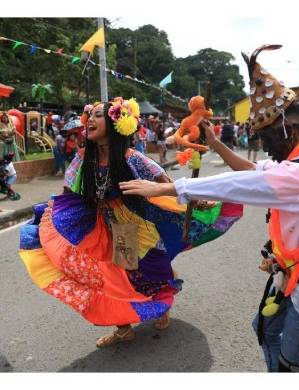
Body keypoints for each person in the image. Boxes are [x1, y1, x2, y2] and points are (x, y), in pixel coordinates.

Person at [120, 45, 299, 372]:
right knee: (264, 330)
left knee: (293, 367)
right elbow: (253, 172)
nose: (262, 144)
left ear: (286, 128)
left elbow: (237, 185)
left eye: (265, 136)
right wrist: (214, 144)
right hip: (290, 273)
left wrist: (168, 187)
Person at [18, 97, 242, 348]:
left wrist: (191, 201)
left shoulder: (133, 158)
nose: (89, 119)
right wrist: (56, 214)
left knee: (147, 273)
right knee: (109, 278)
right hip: (101, 225)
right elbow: (69, 189)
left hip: (137, 223)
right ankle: (123, 328)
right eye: (89, 115)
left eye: (97, 115)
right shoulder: (83, 158)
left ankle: (159, 304)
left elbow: (165, 182)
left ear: (116, 124)